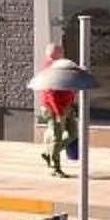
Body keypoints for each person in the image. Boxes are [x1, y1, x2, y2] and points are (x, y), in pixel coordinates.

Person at [38, 41, 79, 178]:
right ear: (53, 53)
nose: (63, 52)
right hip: (55, 108)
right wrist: (58, 113)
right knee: (57, 137)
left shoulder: (61, 65)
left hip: (67, 106)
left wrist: (73, 95)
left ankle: (49, 153)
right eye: (60, 51)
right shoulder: (50, 69)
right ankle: (55, 167)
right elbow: (51, 94)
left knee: (73, 133)